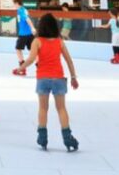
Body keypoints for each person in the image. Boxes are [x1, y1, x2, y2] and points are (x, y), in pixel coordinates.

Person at [18, 13, 80, 152]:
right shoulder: (59, 41)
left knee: (43, 108)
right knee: (61, 108)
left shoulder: (37, 41)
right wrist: (74, 77)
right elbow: (69, 60)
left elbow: (31, 59)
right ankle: (67, 137)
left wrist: (20, 68)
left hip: (43, 78)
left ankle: (42, 137)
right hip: (58, 78)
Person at [12, 0, 36, 75]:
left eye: (14, 4)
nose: (13, 6)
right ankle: (40, 67)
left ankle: (22, 68)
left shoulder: (21, 11)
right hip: (29, 34)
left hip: (23, 34)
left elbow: (27, 19)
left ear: (17, 3)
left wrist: (32, 27)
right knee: (33, 51)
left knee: (18, 49)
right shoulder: (24, 9)